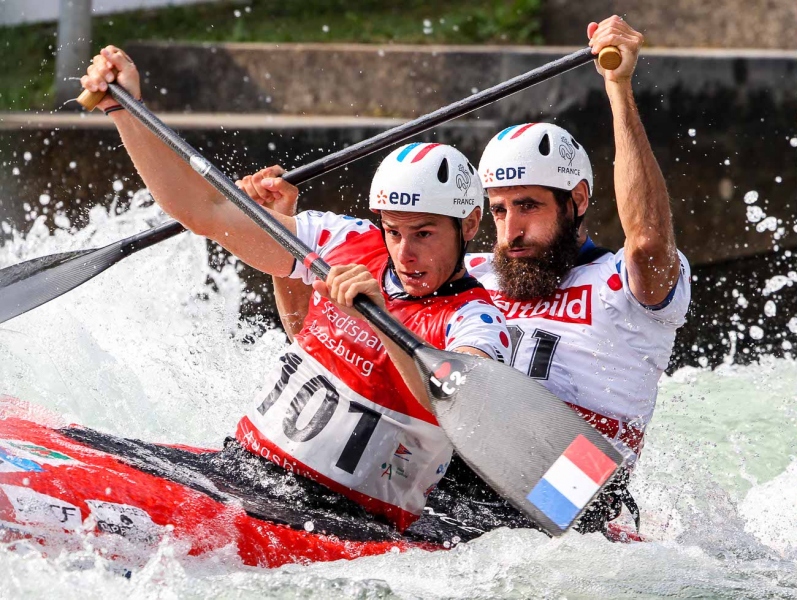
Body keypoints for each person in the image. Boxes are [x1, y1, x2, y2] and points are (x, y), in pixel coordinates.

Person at [258, 17, 691, 537]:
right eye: (500, 210)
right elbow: (311, 330)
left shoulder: (625, 285)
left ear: (577, 201)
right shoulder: (474, 277)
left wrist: (617, 88)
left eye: (527, 206)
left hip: (575, 496)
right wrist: (292, 252)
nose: (511, 231)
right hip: (454, 473)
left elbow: (647, 240)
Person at [80, 45, 513, 531]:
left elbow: (464, 408)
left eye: (425, 233)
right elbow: (201, 211)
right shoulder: (344, 241)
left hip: (334, 517)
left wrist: (384, 323)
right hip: (242, 467)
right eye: (393, 230)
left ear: (470, 224)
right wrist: (125, 109)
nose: (405, 252)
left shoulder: (476, 320)